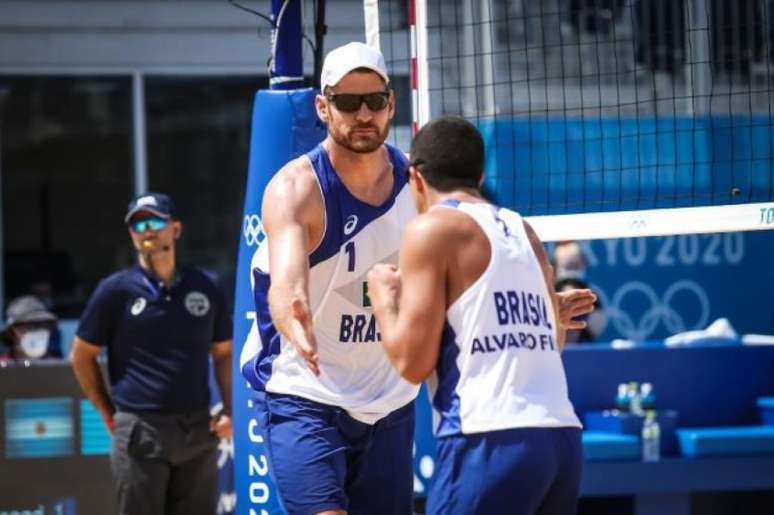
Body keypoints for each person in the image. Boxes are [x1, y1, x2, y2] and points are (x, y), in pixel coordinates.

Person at [241, 42, 595, 515]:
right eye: (348, 102)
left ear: (391, 103)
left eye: (374, 100)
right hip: (306, 390)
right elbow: (286, 281)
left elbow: (470, 269)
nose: (363, 113)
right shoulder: (297, 187)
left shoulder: (420, 183)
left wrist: (543, 307)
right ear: (323, 108)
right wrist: (293, 314)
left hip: (388, 402)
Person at [367, 116, 586, 515]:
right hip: (560, 440)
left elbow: (412, 364)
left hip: (488, 437)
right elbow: (553, 341)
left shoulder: (431, 228)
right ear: (481, 174)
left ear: (415, 179)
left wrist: (383, 296)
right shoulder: (524, 231)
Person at [70, 192, 233, 515]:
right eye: (138, 224)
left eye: (155, 220)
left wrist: (229, 409)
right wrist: (108, 412)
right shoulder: (115, 291)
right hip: (139, 431)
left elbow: (223, 353)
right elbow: (81, 355)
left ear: (176, 229)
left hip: (198, 431)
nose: (146, 229)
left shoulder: (206, 286)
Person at [0, 295, 60, 361]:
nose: (38, 331)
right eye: (30, 326)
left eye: (44, 325)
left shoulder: (58, 366)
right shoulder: (2, 364)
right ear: (11, 332)